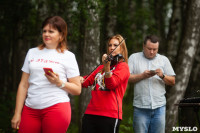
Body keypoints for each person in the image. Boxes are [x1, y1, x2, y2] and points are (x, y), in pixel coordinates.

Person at [11, 16, 81, 133]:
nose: (46, 34)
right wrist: (17, 113)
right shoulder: (32, 52)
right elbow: (23, 85)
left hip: (56, 108)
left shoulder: (68, 56)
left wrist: (60, 83)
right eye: (44, 31)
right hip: (30, 109)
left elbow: (77, 89)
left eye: (51, 31)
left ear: (61, 35)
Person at [80, 34, 130, 133]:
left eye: (115, 45)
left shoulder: (123, 67)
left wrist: (107, 68)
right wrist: (72, 78)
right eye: (110, 45)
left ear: (122, 48)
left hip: (110, 115)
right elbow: (85, 82)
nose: (112, 48)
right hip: (91, 113)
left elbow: (111, 84)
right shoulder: (100, 68)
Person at [128, 35, 176, 133]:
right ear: (143, 46)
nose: (152, 52)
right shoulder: (134, 57)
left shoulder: (164, 59)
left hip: (159, 108)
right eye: (149, 48)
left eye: (155, 49)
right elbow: (127, 78)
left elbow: (172, 81)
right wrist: (142, 75)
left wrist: (162, 76)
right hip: (140, 108)